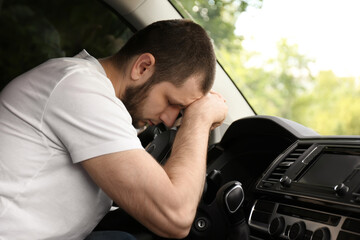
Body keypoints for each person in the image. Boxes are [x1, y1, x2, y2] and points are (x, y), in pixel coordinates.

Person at [0, 19, 228, 239]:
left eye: (180, 112)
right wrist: (199, 119)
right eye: (171, 102)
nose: (170, 121)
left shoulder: (93, 93)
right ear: (143, 67)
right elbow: (176, 216)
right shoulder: (79, 88)